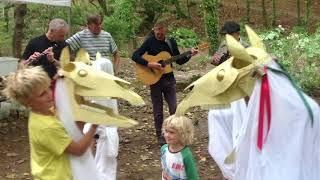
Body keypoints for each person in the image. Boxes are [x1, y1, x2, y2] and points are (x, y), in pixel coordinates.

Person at [3, 66, 97, 180]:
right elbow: (78, 150)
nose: (49, 94)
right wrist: (94, 126)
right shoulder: (47, 126)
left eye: (49, 88)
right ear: (28, 102)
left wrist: (61, 80)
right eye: (42, 94)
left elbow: (64, 107)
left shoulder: (43, 112)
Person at [66, 14, 120, 180]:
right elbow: (65, 48)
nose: (99, 28)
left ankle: (106, 138)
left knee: (108, 106)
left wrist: (116, 72)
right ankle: (88, 143)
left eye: (100, 25)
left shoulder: (107, 35)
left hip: (105, 75)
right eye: (95, 25)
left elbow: (116, 53)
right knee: (89, 109)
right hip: (88, 78)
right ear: (88, 25)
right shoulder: (80, 36)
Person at [131, 19, 198, 146]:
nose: (159, 33)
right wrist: (149, 63)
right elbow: (135, 55)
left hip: (169, 79)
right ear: (154, 29)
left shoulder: (170, 42)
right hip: (155, 80)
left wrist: (190, 55)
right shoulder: (150, 41)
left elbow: (179, 60)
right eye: (156, 30)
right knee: (158, 111)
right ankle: (160, 137)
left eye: (161, 30)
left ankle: (176, 133)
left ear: (165, 29)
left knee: (174, 108)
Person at [161, 115, 199, 180]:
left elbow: (193, 177)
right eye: (166, 131)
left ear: (183, 134)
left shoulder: (186, 156)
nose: (167, 135)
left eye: (171, 132)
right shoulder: (164, 149)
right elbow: (165, 169)